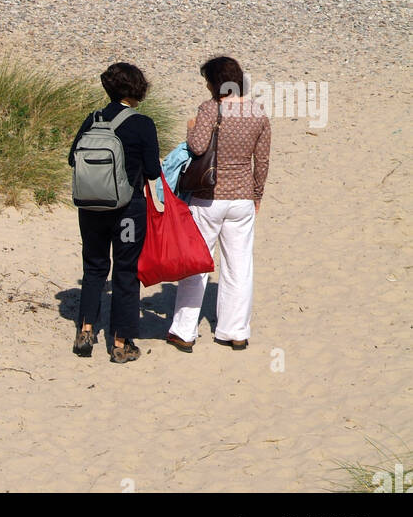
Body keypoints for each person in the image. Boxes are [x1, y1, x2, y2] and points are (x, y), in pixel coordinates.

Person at [167, 55, 271, 353]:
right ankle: (235, 331)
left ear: (215, 82)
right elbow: (261, 162)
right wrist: (257, 196)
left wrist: (190, 128)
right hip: (242, 199)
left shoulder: (210, 108)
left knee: (197, 263)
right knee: (239, 265)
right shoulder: (258, 113)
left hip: (208, 197)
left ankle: (184, 331)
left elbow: (198, 147)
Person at [68, 62, 161, 364]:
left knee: (94, 267)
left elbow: (73, 160)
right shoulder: (143, 124)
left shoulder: (92, 120)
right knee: (125, 271)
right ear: (137, 88)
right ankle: (120, 342)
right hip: (127, 210)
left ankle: (85, 329)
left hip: (91, 207)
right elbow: (152, 170)